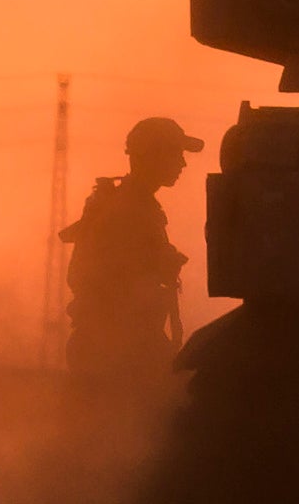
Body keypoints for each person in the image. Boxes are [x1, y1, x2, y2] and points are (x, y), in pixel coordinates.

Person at [61, 116, 201, 377]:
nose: (182, 163)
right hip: (118, 352)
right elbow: (114, 286)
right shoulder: (128, 211)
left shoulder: (132, 205)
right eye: (175, 154)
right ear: (152, 156)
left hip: (118, 347)